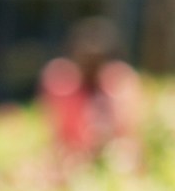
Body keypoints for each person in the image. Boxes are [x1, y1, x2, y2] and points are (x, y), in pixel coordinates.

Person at [38, 17, 140, 172]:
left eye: (96, 60)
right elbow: (58, 136)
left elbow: (128, 134)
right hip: (72, 160)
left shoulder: (119, 86)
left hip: (112, 158)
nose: (90, 65)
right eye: (85, 59)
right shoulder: (62, 86)